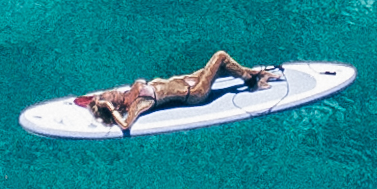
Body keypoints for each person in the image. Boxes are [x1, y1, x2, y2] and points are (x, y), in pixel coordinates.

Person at [76, 51, 279, 133]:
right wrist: (109, 108)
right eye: (108, 95)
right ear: (115, 104)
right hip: (196, 92)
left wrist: (95, 101)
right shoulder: (137, 103)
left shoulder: (129, 92)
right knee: (220, 56)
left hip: (189, 79)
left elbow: (91, 100)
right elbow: (126, 125)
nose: (110, 91)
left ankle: (256, 74)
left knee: (224, 66)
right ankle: (253, 81)